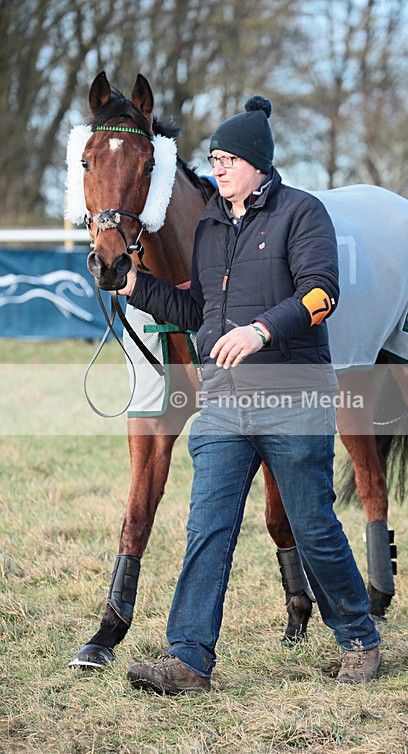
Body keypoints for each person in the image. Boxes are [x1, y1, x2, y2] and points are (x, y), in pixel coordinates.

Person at [117, 95, 381, 694]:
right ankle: (188, 660)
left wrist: (260, 330)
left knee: (313, 525)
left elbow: (321, 295)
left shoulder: (302, 213)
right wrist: (138, 286)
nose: (218, 167)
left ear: (259, 162)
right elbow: (199, 311)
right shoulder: (211, 225)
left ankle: (359, 638)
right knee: (208, 525)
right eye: (213, 158)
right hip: (223, 403)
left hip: (294, 395)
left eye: (229, 157)